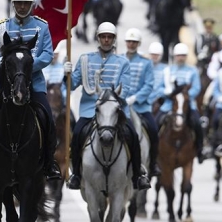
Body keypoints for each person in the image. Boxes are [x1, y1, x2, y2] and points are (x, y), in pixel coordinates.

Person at [0, 0, 63, 181]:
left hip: (33, 84)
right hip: (5, 85)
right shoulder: (2, 26)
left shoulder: (41, 26)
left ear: (32, 4)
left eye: (25, 4)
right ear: (13, 4)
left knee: (48, 121)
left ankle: (49, 161)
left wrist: (26, 67)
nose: (21, 7)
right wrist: (4, 65)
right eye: (18, 3)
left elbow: (46, 54)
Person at [63, 22, 150, 190]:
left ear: (114, 40)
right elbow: (72, 85)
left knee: (132, 133)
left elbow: (124, 90)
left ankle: (138, 174)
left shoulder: (122, 62)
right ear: (98, 38)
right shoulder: (85, 59)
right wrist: (66, 73)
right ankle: (76, 175)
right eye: (103, 37)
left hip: (115, 111)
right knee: (78, 133)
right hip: (90, 110)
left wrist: (108, 100)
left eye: (109, 37)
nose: (106, 40)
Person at [120, 28, 161, 177]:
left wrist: (135, 98)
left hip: (140, 107)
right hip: (120, 106)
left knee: (154, 131)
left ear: (138, 44)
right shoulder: (118, 60)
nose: (131, 44)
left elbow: (149, 85)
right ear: (125, 43)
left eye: (134, 42)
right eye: (129, 41)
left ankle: (153, 164)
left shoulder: (146, 63)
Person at [161, 43, 207, 163]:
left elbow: (196, 88)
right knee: (156, 123)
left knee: (197, 123)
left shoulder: (192, 71)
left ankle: (200, 149)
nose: (180, 58)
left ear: (186, 57)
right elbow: (159, 87)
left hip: (187, 105)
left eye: (182, 55)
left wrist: (185, 97)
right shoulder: (168, 70)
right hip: (169, 104)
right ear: (174, 56)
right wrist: (167, 92)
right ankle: (154, 151)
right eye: (178, 55)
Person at [147, 42, 168, 108]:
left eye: (157, 55)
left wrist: (160, 94)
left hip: (160, 100)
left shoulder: (166, 68)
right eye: (153, 54)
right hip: (145, 99)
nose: (155, 57)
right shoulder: (145, 67)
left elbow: (166, 86)